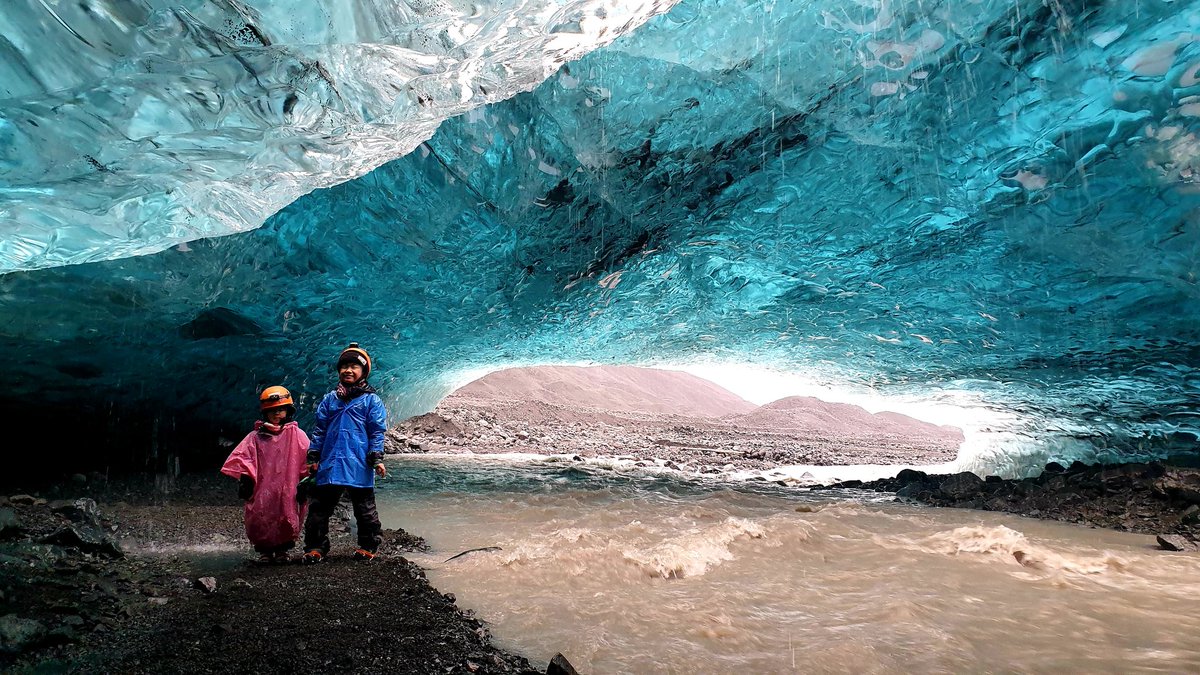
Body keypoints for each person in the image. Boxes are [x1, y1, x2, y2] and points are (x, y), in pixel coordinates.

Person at [302, 343, 388, 563]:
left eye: (354, 367)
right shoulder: (330, 399)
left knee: (365, 509)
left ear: (363, 372)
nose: (348, 370)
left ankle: (368, 546)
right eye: (344, 366)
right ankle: (315, 547)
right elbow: (320, 430)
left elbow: (376, 431)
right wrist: (314, 456)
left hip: (359, 462)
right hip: (331, 461)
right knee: (319, 509)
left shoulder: (371, 400)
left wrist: (376, 457)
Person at [220, 386, 310, 564]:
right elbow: (243, 456)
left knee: (287, 513)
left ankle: (283, 551)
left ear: (288, 411)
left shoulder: (297, 435)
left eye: (281, 410)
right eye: (272, 411)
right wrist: (245, 479)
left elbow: (308, 457)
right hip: (263, 487)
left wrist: (307, 481)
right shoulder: (255, 437)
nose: (277, 414)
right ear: (265, 413)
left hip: (288, 486)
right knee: (260, 515)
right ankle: (265, 552)